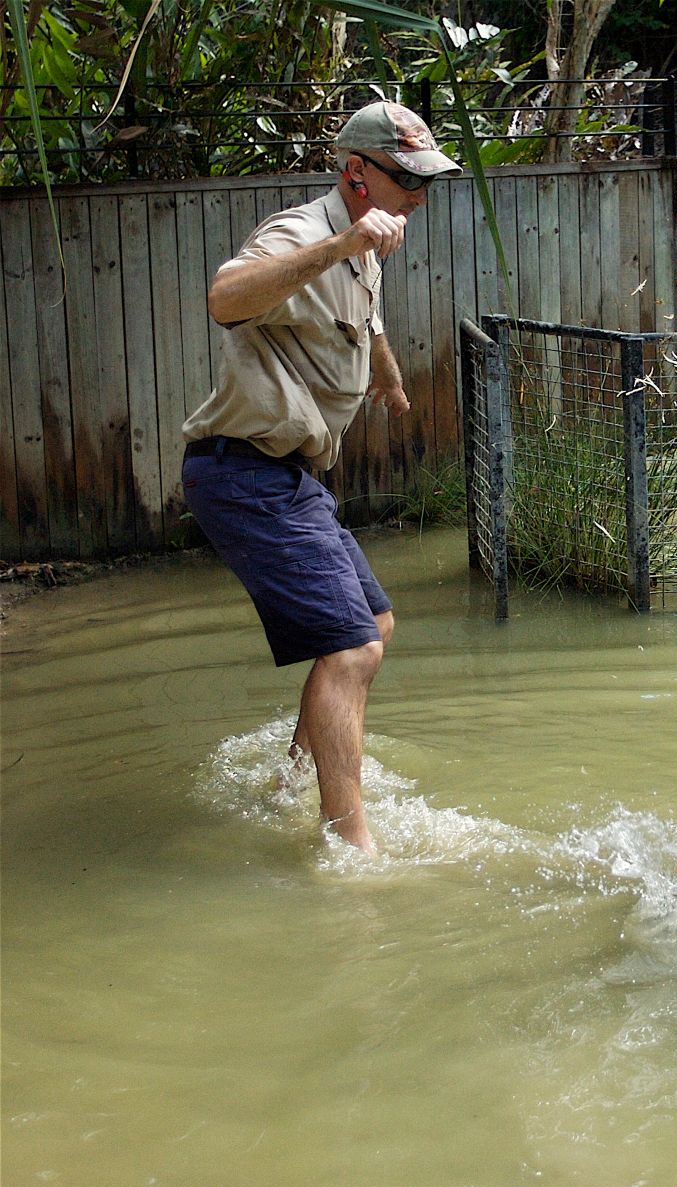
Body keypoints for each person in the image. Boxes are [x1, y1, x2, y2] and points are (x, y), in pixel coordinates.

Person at [179, 100, 461, 855]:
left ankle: (296, 777)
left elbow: (365, 329)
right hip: (241, 470)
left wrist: (393, 385)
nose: (419, 195)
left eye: (424, 179)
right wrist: (340, 243)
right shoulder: (308, 233)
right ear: (355, 174)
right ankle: (352, 845)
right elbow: (224, 298)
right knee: (350, 648)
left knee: (374, 626)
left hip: (286, 475)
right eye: (406, 179)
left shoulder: (366, 249)